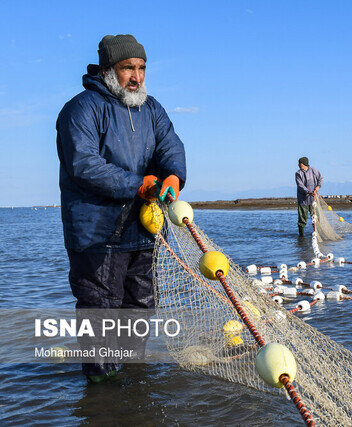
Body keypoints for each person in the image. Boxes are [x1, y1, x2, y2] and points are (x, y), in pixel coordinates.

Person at [56, 34, 187, 382]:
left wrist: (173, 176)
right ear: (107, 69)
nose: (137, 76)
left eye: (142, 68)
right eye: (128, 67)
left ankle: (131, 385)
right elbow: (84, 164)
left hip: (143, 232)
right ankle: (102, 395)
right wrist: (138, 184)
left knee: (140, 310)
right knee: (101, 314)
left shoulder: (151, 108)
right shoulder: (81, 109)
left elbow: (170, 145)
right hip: (96, 234)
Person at [295, 156, 323, 236]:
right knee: (302, 219)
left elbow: (320, 179)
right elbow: (300, 185)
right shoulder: (298, 173)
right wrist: (309, 192)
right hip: (303, 200)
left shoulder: (314, 170)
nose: (298, 165)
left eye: (299, 163)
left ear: (304, 164)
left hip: (313, 200)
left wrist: (317, 188)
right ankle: (301, 236)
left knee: (315, 218)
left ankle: (317, 233)